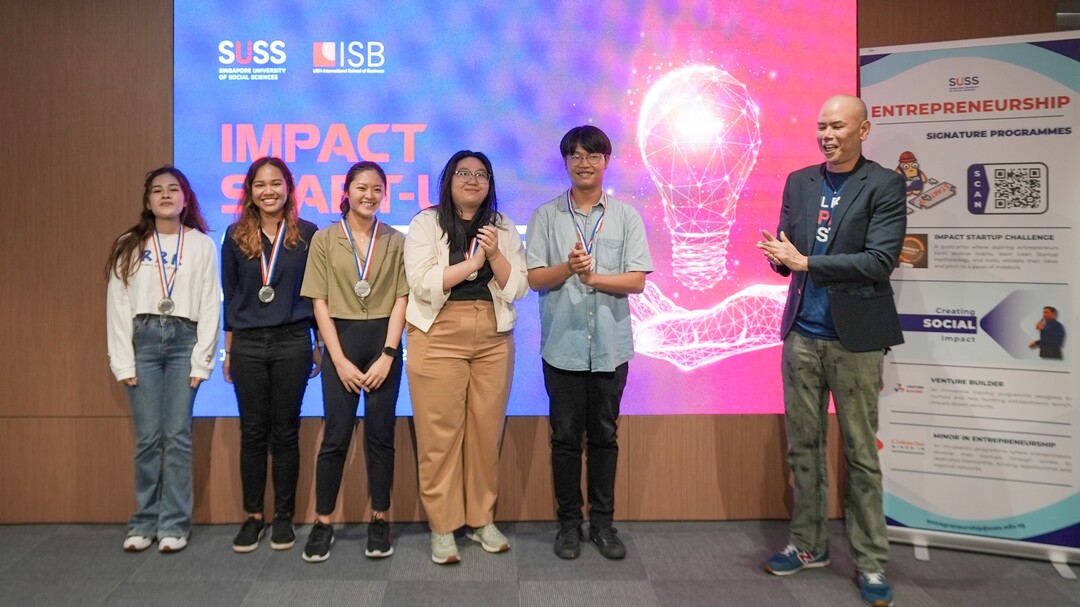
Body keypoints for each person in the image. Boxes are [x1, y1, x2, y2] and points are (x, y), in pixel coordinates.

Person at [757, 94, 906, 607]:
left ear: (863, 130)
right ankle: (807, 545)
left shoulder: (885, 184)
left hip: (856, 340)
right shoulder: (800, 181)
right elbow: (791, 252)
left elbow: (879, 260)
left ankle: (870, 562)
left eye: (837, 126)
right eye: (821, 125)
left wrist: (806, 264)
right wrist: (780, 259)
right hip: (801, 335)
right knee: (804, 448)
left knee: (862, 455)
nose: (826, 134)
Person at [525, 126, 653, 561]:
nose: (584, 162)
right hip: (561, 348)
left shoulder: (626, 216)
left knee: (604, 438)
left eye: (592, 155)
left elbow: (636, 280)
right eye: (575, 155)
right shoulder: (545, 216)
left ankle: (602, 524)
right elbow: (533, 278)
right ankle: (567, 525)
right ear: (565, 162)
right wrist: (568, 267)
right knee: (564, 440)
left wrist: (593, 277)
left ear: (606, 161)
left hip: (611, 349)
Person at [404, 150, 528, 565]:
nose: (473, 180)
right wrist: (473, 262)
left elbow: (519, 287)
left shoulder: (502, 226)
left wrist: (493, 256)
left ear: (490, 183)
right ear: (449, 179)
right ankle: (442, 527)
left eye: (482, 174)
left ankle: (480, 520)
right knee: (439, 436)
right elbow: (422, 284)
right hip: (438, 334)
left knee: (485, 432)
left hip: (493, 337)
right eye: (464, 173)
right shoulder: (426, 222)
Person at [105, 165, 220, 553]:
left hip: (184, 341)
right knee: (148, 438)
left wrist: (202, 359)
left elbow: (209, 304)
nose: (166, 195)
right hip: (145, 342)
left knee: (177, 436)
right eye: (158, 190)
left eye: (174, 189)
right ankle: (143, 522)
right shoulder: (130, 243)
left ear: (186, 198)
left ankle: (173, 524)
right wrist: (123, 361)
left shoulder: (202, 244)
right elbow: (118, 306)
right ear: (148, 200)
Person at [300, 161, 408, 563]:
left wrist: (388, 354)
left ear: (384, 193)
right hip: (340, 344)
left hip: (383, 346)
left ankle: (380, 518)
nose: (369, 195)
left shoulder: (395, 239)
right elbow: (319, 301)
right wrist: (338, 359)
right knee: (336, 436)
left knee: (381, 436)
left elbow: (402, 298)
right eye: (361, 187)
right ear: (347, 191)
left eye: (377, 188)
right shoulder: (325, 239)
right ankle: (323, 521)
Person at [221, 157, 321, 553]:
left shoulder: (308, 234)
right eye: (260, 184)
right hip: (246, 344)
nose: (269, 191)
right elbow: (230, 297)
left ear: (288, 188)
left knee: (285, 432)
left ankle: (282, 517)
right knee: (251, 432)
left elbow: (317, 295)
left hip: (292, 341)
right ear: (249, 191)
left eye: (276, 183)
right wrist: (227, 353)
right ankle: (252, 517)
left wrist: (319, 345)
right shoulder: (233, 236)